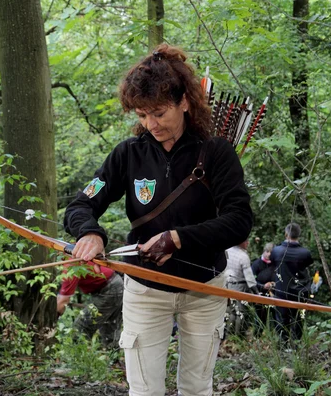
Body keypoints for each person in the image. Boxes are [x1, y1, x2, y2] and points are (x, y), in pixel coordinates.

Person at [64, 44, 253, 395]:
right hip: (144, 288)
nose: (151, 124)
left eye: (160, 113)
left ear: (184, 102)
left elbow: (239, 220)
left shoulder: (216, 152)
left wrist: (178, 238)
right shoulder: (128, 154)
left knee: (197, 389)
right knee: (144, 391)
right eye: (142, 114)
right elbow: (80, 205)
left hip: (205, 287)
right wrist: (90, 233)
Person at [57, 262, 123, 347]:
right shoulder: (72, 259)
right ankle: (114, 357)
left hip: (109, 288)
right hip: (115, 282)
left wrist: (53, 320)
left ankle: (79, 358)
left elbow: (63, 301)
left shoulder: (70, 267)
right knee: (110, 328)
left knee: (81, 328)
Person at [271, 223, 313, 342]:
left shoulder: (277, 251)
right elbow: (308, 265)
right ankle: (296, 343)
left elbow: (273, 263)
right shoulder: (305, 253)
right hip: (300, 291)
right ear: (299, 235)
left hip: (281, 291)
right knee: (298, 319)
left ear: (286, 234)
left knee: (281, 319)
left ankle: (283, 344)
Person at [224, 239, 257, 337]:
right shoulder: (243, 256)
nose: (248, 243)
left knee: (231, 311)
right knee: (240, 312)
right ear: (241, 242)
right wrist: (256, 292)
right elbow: (250, 278)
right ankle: (239, 335)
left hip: (227, 284)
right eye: (246, 241)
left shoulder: (227, 251)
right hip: (239, 286)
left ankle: (228, 334)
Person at [251, 242, 276, 336]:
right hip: (259, 293)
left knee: (275, 317)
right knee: (260, 318)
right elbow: (251, 280)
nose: (269, 254)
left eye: (271, 252)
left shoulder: (276, 264)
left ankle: (274, 337)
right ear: (264, 251)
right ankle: (257, 336)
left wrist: (274, 284)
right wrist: (262, 286)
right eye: (267, 251)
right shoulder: (256, 264)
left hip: (274, 294)